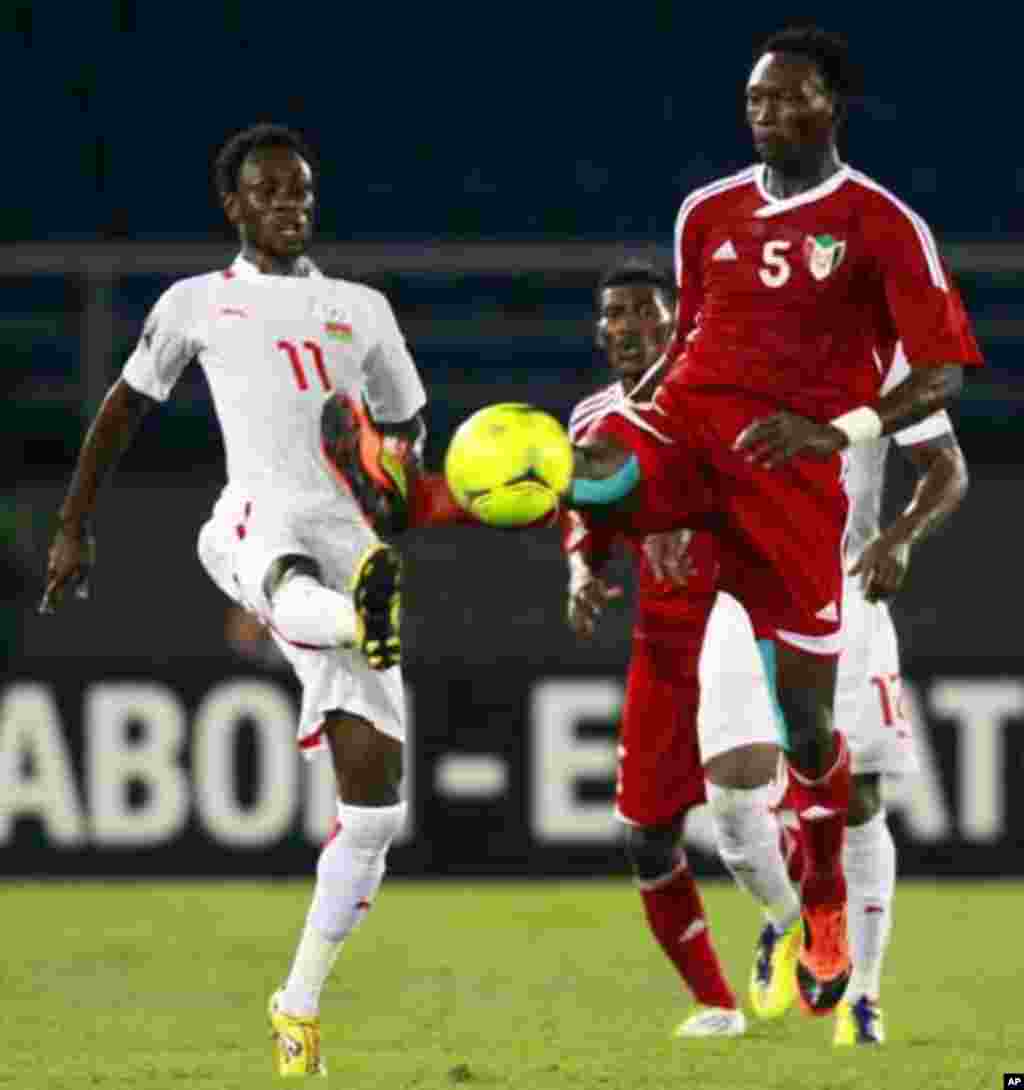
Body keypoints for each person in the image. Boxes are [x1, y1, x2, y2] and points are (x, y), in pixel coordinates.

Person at [564, 24, 983, 1014]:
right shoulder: (705, 213)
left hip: (793, 486)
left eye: (787, 98)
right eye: (755, 99)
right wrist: (630, 421)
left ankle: (824, 900)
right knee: (583, 465)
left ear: (831, 106)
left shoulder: (882, 224)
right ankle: (456, 499)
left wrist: (834, 433)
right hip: (693, 435)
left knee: (806, 731)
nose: (766, 114)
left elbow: (940, 375)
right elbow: (685, 347)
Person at [39, 123, 428, 1078]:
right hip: (253, 516)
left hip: (351, 534)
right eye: (269, 191)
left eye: (301, 190)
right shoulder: (196, 304)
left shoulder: (363, 310)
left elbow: (408, 426)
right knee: (288, 577)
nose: (289, 204)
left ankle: (296, 1008)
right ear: (235, 205)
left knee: (375, 813)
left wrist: (392, 467)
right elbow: (124, 407)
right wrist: (73, 522)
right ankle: (354, 618)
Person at [565, 260, 745, 1038]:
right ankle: (718, 1004)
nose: (630, 325)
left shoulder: (715, 400)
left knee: (754, 813)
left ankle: (822, 940)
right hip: (665, 647)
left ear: (677, 322)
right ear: (600, 332)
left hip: (743, 629)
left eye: (646, 311)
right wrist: (581, 571)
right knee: (645, 835)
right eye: (615, 314)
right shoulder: (587, 424)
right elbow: (587, 525)